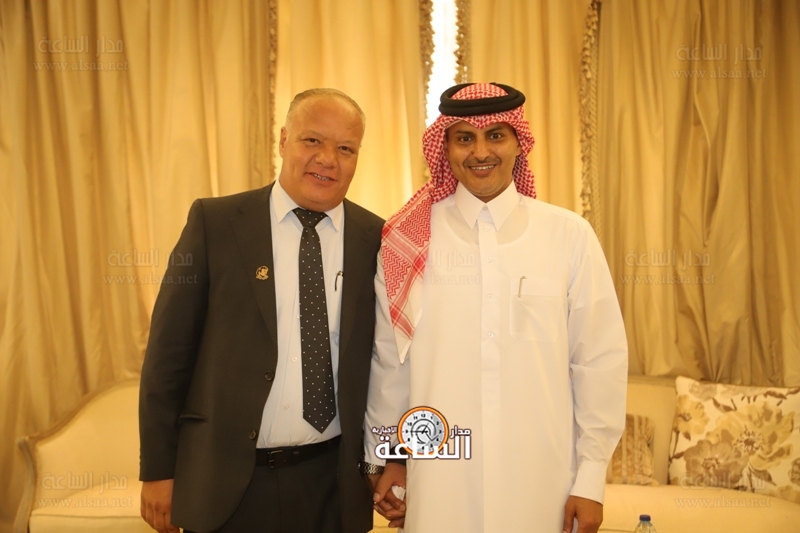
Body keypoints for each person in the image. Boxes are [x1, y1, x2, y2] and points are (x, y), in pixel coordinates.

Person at [363, 83, 628, 533]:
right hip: (442, 482)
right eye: (464, 138)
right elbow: (391, 364)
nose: (481, 152)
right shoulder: (408, 238)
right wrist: (391, 457)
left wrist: (591, 478)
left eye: (496, 136)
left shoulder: (568, 236)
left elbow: (597, 362)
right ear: (445, 148)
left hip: (542, 483)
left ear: (519, 143)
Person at [139, 88, 384, 533]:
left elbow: (388, 365)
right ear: (284, 140)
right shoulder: (215, 223)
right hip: (226, 486)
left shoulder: (377, 239)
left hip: (332, 485)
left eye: (345, 148)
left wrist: (388, 461)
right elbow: (167, 356)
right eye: (313, 140)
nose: (328, 159)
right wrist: (158, 470)